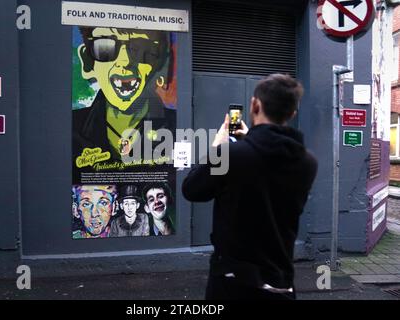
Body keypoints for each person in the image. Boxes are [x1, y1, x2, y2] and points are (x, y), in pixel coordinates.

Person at [182, 74, 318, 300]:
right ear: (292, 113)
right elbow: (267, 166)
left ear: (255, 105)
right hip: (279, 281)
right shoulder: (307, 162)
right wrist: (251, 138)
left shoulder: (228, 156)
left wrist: (216, 149)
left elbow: (192, 190)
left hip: (232, 283)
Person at [72, 26, 176, 175]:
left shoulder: (177, 127)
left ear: (162, 65)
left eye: (141, 49)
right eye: (105, 48)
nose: (125, 61)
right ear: (88, 62)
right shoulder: (72, 128)